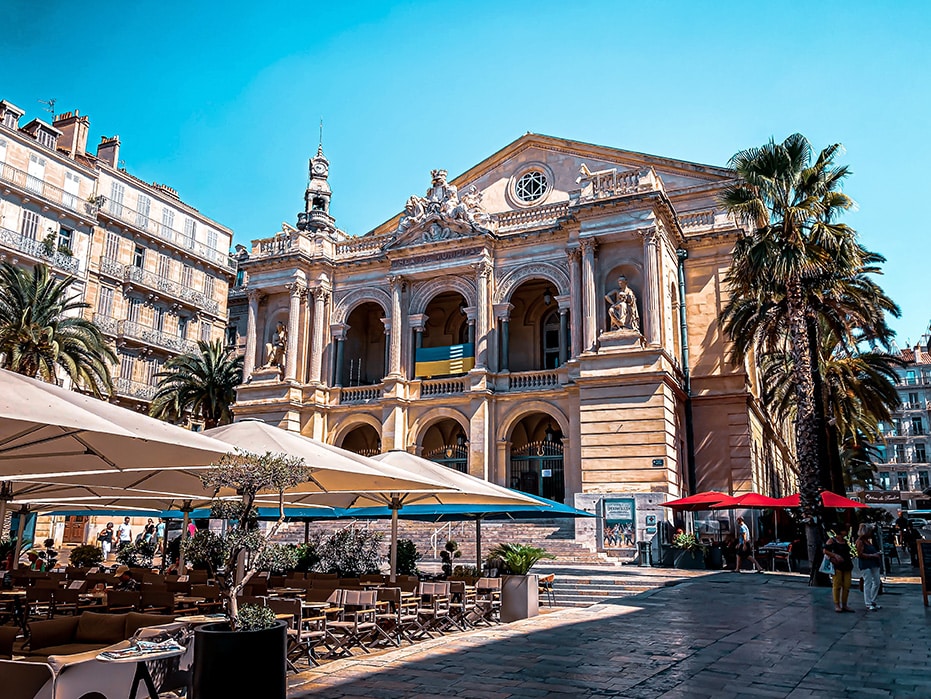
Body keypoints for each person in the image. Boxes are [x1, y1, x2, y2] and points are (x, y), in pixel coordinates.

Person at [824, 524, 855, 612]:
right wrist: (835, 556)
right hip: (837, 566)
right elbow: (825, 551)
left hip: (847, 565)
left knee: (847, 585)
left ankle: (844, 604)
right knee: (837, 585)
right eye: (845, 530)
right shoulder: (832, 541)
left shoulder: (845, 541)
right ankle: (837, 604)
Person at [856, 524, 882, 611]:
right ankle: (868, 602)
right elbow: (860, 554)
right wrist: (873, 555)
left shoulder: (868, 541)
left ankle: (872, 600)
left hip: (873, 563)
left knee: (877, 582)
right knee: (868, 582)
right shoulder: (860, 541)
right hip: (866, 563)